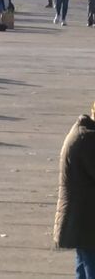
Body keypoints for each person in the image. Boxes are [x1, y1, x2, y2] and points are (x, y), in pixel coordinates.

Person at [53, 101, 95, 279]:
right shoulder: (87, 139)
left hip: (80, 217)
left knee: (83, 265)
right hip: (85, 218)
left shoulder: (83, 133)